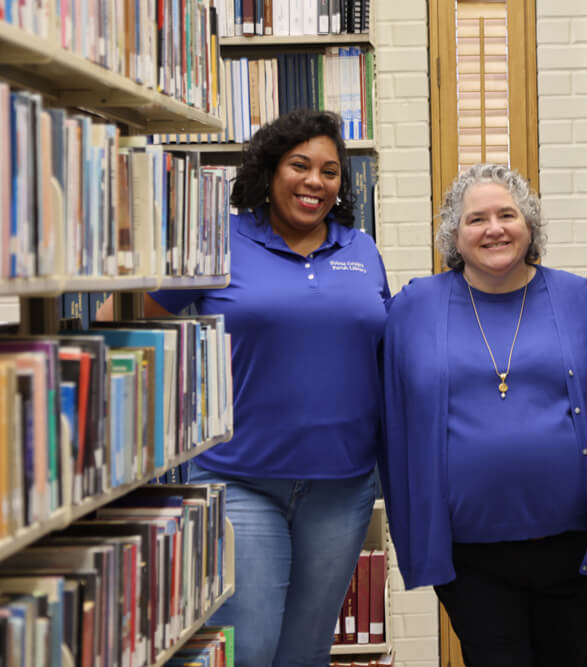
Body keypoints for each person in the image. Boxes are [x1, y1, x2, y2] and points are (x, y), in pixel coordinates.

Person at [103, 109, 390, 666]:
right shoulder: (219, 240)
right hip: (240, 478)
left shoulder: (361, 250)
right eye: (299, 165)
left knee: (306, 653)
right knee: (249, 649)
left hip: (343, 485)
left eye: (330, 172)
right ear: (269, 169)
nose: (315, 182)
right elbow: (121, 321)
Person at [379, 163, 587, 666]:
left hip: (572, 545)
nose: (494, 228)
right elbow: (391, 413)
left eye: (507, 214)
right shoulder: (414, 307)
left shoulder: (579, 299)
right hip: (469, 552)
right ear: (454, 234)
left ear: (529, 226)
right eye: (476, 219)